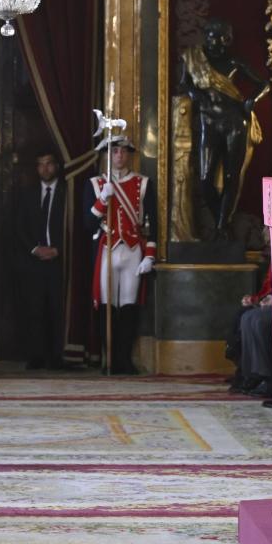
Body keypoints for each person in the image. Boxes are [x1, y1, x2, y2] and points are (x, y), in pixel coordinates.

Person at [86, 136, 156, 374]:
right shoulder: (96, 184)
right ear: (107, 155)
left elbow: (152, 222)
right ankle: (109, 359)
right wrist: (103, 199)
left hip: (133, 250)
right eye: (114, 152)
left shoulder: (143, 183)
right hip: (107, 249)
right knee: (107, 306)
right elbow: (87, 223)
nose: (119, 156)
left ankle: (124, 359)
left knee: (128, 307)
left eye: (123, 152)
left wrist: (150, 255)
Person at [14, 150, 72, 369]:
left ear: (56, 165)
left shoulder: (68, 192)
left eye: (49, 163)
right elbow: (19, 226)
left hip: (59, 260)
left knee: (57, 309)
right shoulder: (28, 193)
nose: (45, 168)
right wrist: (35, 249)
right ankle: (36, 355)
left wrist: (59, 249)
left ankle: (57, 356)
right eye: (41, 164)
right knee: (35, 309)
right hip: (34, 261)